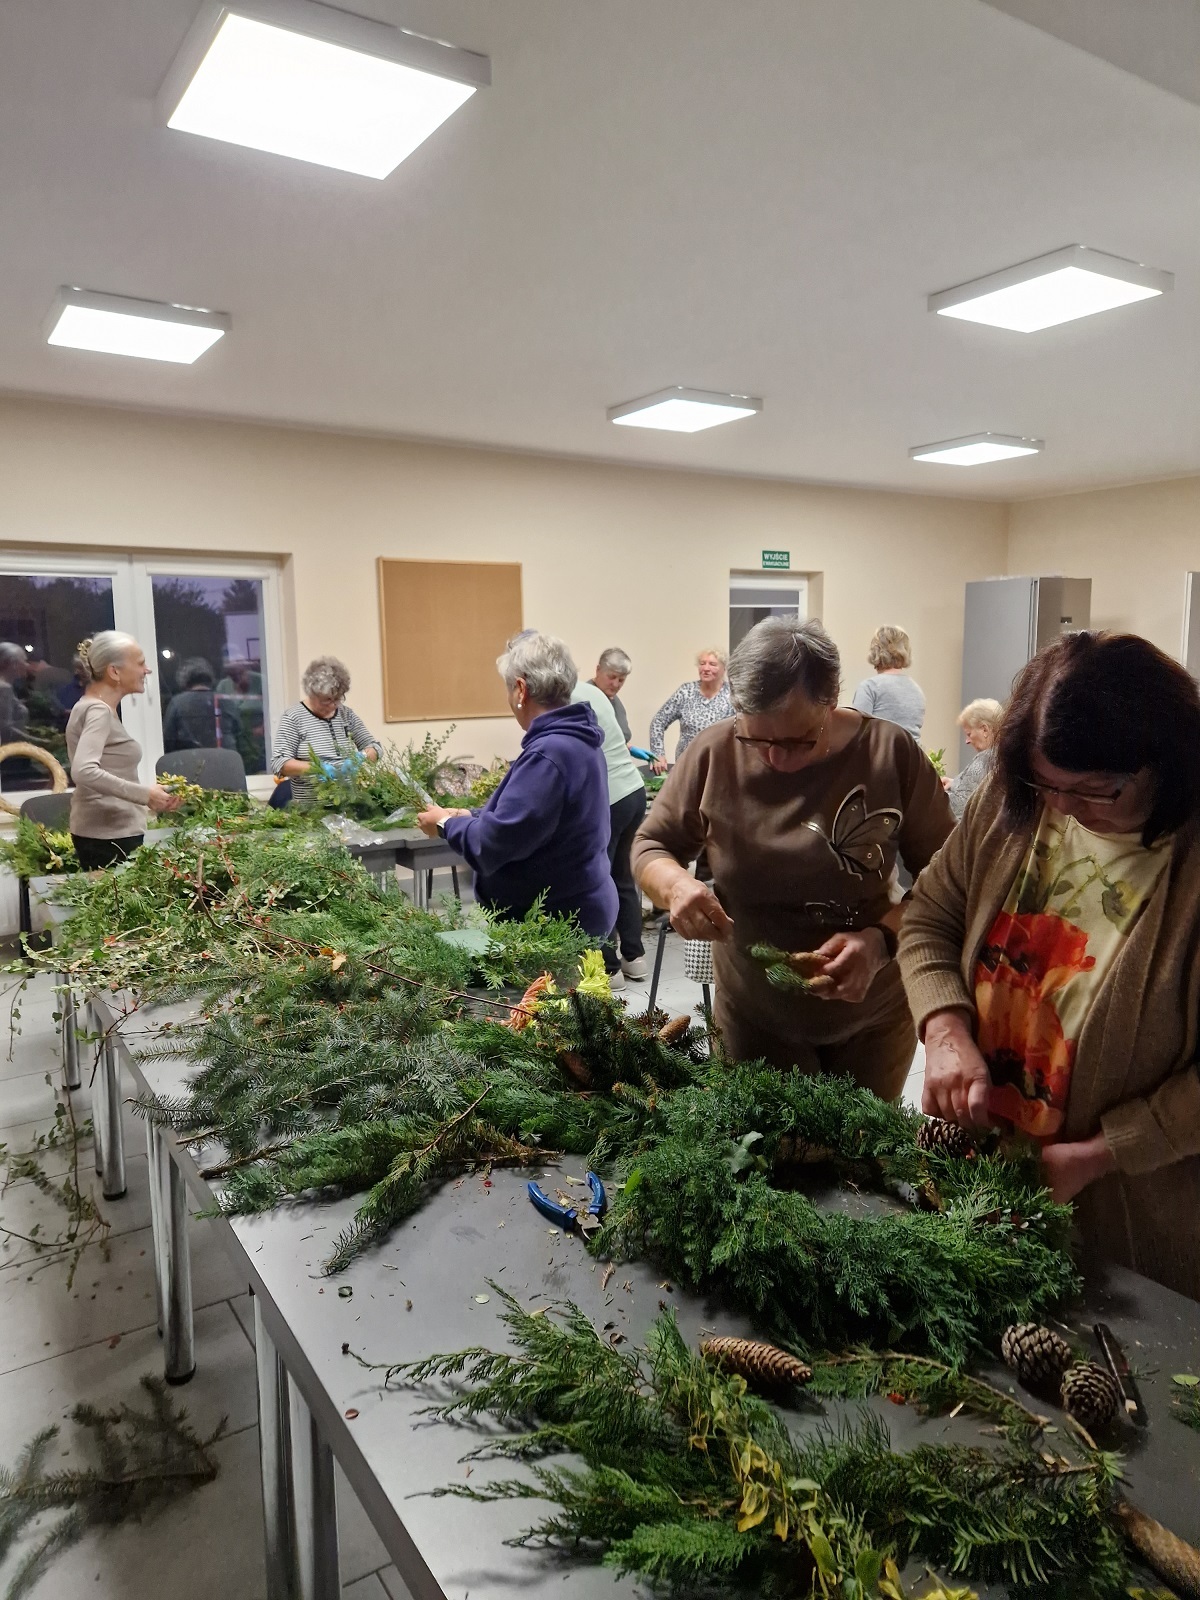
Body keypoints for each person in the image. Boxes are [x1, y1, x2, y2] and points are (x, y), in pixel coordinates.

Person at [899, 631, 1200, 1300]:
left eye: (1098, 791)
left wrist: (1103, 1155)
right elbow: (928, 919)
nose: (1063, 808)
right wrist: (945, 1033)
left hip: (1135, 1228)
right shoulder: (1018, 805)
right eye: (1045, 783)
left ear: (1166, 762)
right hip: (985, 1185)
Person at [633, 617, 954, 1096]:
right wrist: (675, 885)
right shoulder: (713, 752)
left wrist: (883, 940)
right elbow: (651, 847)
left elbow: (949, 880)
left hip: (873, 1018)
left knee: (861, 1160)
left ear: (834, 697)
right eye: (756, 739)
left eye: (798, 740)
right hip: (754, 1016)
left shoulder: (891, 753)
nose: (775, 759)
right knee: (763, 1157)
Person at [415, 631, 617, 937]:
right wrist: (472, 816)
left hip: (557, 922)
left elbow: (493, 844)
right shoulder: (578, 741)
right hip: (579, 905)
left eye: (509, 689)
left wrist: (444, 824)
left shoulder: (549, 754)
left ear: (521, 689)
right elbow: (535, 821)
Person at [65, 631, 181, 868]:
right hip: (109, 837)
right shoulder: (98, 711)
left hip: (104, 832)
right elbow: (84, 771)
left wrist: (150, 795)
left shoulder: (90, 706)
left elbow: (109, 769)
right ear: (114, 671)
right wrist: (144, 794)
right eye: (140, 663)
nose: (146, 670)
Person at [572, 672, 647, 984]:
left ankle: (608, 967)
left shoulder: (566, 699)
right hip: (633, 790)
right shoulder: (589, 691)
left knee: (597, 881)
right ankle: (634, 957)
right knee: (622, 878)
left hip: (611, 797)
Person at [271, 656, 381, 805]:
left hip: (349, 808)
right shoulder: (293, 718)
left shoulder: (346, 715)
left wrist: (360, 758)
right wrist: (317, 768)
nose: (334, 705)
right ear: (311, 693)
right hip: (310, 812)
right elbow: (280, 763)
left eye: (338, 698)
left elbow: (375, 747)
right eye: (327, 700)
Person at [648, 648, 734, 773]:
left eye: (712, 664)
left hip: (720, 766)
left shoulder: (732, 694)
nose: (706, 668)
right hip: (687, 765)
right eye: (702, 664)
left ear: (724, 668)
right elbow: (658, 721)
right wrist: (658, 754)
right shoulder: (686, 692)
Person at [851, 626, 926, 740]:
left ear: (875, 651)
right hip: (913, 756)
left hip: (881, 756)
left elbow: (856, 732)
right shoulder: (917, 690)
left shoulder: (870, 687)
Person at [162, 658, 242, 753]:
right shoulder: (226, 701)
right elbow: (239, 734)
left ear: (185, 680)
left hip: (191, 762)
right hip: (226, 761)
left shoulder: (177, 703)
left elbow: (168, 739)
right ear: (209, 679)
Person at [945, 697, 1003, 820]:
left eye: (969, 734)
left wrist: (933, 792)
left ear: (985, 730)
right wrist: (954, 784)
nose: (967, 741)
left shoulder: (986, 760)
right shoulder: (1005, 756)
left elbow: (957, 810)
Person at [591, 647, 633, 744]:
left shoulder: (615, 700)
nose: (615, 684)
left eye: (621, 680)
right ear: (598, 670)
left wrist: (628, 748)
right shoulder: (587, 698)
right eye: (611, 677)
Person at [0, 642, 30, 742]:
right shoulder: (4, 688)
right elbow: (5, 730)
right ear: (13, 664)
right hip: (9, 753)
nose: (27, 665)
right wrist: (41, 742)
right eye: (24, 661)